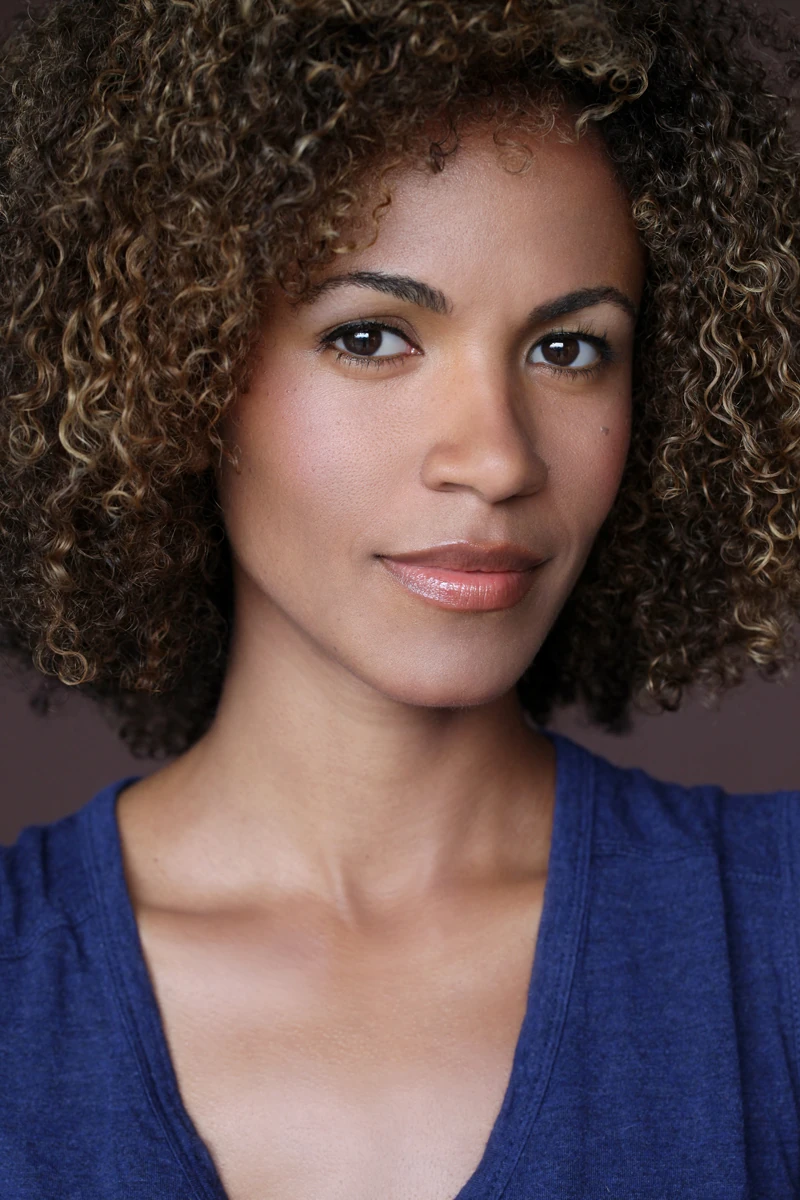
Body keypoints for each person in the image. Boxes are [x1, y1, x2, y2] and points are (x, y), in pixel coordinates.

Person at [1, 0, 799, 1196]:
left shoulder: (772, 936)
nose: (496, 458)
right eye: (372, 337)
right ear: (175, 369)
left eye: (568, 349)